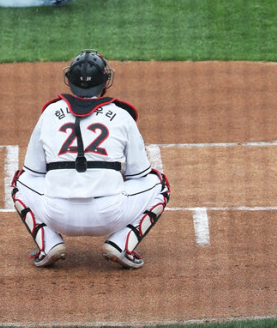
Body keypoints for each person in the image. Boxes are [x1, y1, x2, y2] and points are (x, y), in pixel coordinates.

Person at [11, 49, 170, 268]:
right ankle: (122, 243)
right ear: (105, 82)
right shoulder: (122, 115)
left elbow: (34, 171)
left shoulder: (49, 113)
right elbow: (139, 173)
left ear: (70, 80)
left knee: (19, 180)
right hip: (109, 216)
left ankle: (47, 242)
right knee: (159, 183)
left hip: (57, 215)